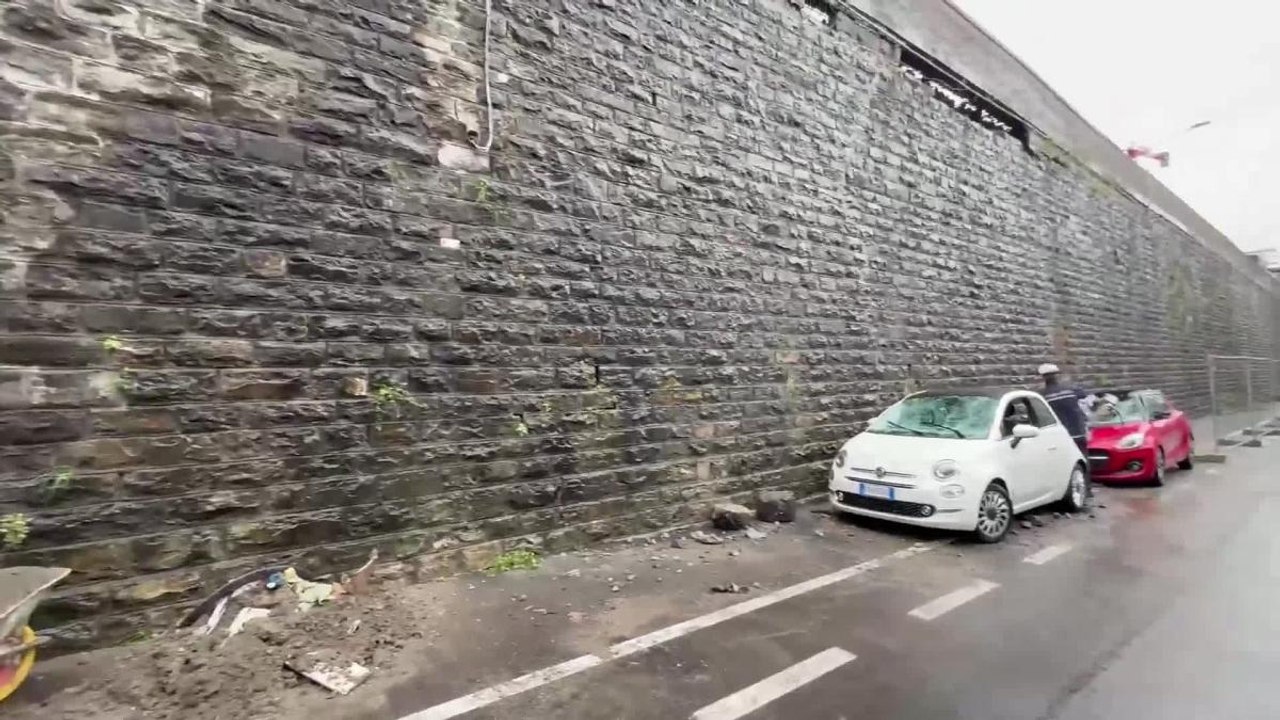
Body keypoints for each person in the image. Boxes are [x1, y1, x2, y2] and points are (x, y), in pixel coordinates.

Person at [1038, 363, 1089, 457]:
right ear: (1057, 375)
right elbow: (1084, 395)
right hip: (1078, 430)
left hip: (1059, 434)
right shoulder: (1071, 388)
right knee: (1083, 458)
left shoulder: (1042, 395)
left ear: (1043, 377)